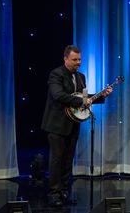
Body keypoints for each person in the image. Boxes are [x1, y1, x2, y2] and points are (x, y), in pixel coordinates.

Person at [41, 45, 113, 207]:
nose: (78, 63)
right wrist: (82, 101)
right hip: (57, 124)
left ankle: (64, 192)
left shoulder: (81, 76)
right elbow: (58, 95)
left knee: (68, 159)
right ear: (65, 58)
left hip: (73, 123)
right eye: (74, 60)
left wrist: (101, 96)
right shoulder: (56, 74)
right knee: (57, 159)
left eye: (79, 59)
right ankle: (54, 193)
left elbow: (84, 98)